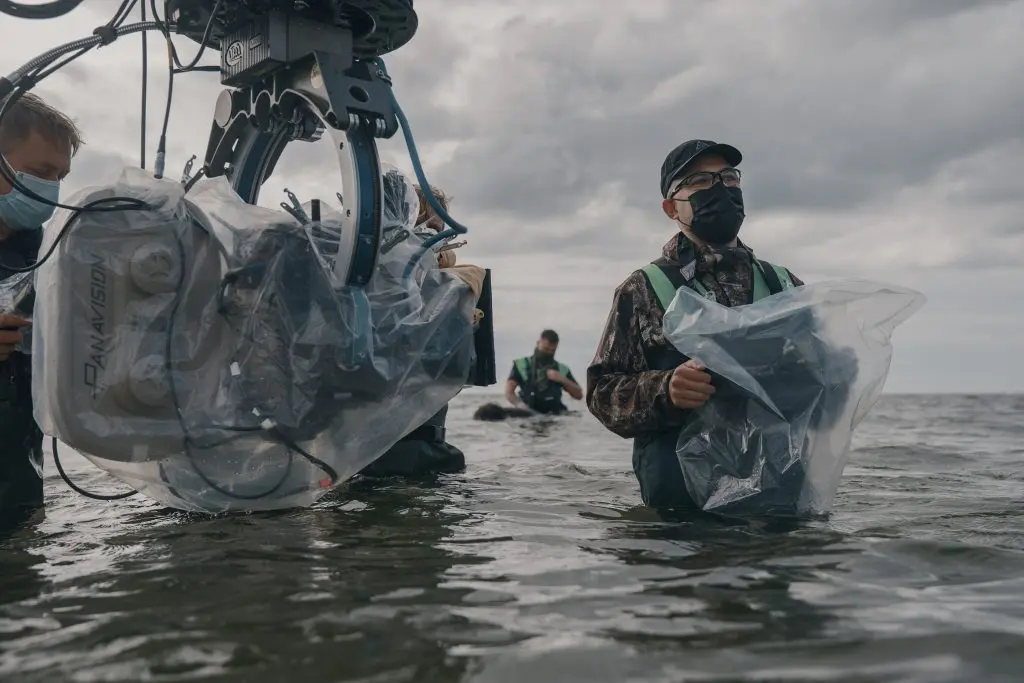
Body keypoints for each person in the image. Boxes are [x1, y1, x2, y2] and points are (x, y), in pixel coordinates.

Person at [586, 139, 804, 511]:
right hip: (683, 517)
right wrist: (665, 389)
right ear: (672, 207)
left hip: (778, 504)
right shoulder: (643, 288)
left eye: (729, 178)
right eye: (701, 181)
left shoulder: (784, 285)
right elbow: (601, 394)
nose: (720, 188)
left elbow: (829, 381)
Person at [359, 182, 480, 478]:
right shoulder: (364, 279)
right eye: (426, 226)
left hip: (400, 453)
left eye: (437, 229)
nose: (435, 237)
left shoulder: (449, 281)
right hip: (389, 454)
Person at [0, 93, 81, 522]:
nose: (51, 189)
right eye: (39, 172)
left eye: (60, 176)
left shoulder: (40, 250)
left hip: (18, 490)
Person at [505, 329, 583, 415]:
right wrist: (521, 406)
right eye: (546, 349)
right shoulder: (521, 364)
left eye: (552, 350)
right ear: (538, 343)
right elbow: (509, 393)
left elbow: (579, 395)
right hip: (528, 414)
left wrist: (562, 379)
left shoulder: (562, 369)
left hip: (555, 415)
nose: (549, 352)